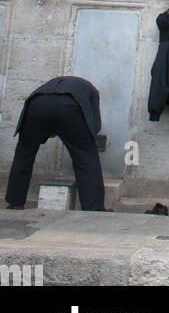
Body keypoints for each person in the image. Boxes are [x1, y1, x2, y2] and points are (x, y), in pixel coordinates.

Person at [6, 75, 106, 211]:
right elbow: (94, 124)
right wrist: (87, 142)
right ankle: (93, 207)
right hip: (69, 106)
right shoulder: (91, 92)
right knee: (86, 158)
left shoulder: (50, 86)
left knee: (24, 153)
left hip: (36, 105)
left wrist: (49, 129)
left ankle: (15, 202)